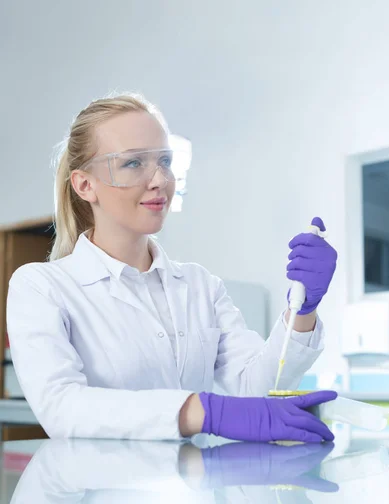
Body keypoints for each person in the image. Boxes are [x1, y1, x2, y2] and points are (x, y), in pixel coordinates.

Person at [6, 93, 338, 442]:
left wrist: (303, 310)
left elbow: (254, 389)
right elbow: (62, 408)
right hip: (97, 493)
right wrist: (203, 411)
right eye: (133, 163)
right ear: (85, 185)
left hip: (196, 490)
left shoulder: (200, 285)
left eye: (164, 160)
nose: (159, 179)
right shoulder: (42, 287)